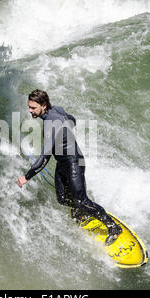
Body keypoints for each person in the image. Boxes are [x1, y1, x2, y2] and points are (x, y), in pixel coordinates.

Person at [17, 89, 122, 245]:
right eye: (29, 107)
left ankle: (113, 227)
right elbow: (72, 120)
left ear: (43, 105)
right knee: (62, 198)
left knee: (81, 201)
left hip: (74, 162)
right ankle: (82, 213)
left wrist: (27, 177)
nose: (30, 111)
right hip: (62, 163)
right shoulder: (57, 109)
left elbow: (44, 158)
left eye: (33, 108)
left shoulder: (50, 124)